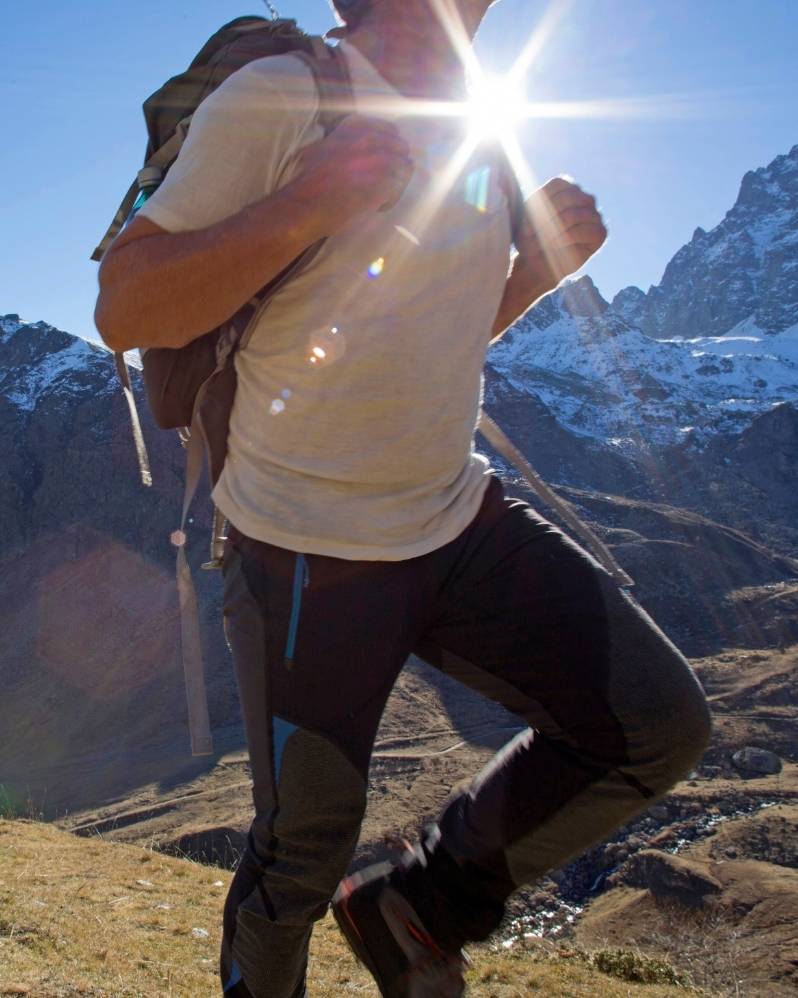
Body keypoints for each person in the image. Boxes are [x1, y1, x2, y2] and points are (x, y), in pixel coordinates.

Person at [94, 0, 712, 995]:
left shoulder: (475, 121)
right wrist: (307, 203)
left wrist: (535, 276)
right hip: (303, 553)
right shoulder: (283, 98)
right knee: (300, 851)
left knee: (654, 722)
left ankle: (415, 911)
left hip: (455, 521)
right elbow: (125, 304)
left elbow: (423, 341)